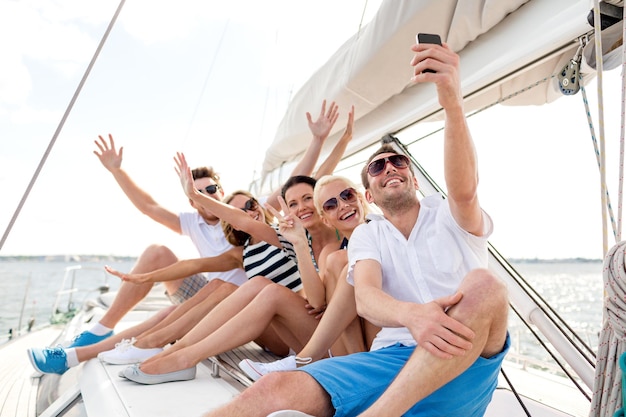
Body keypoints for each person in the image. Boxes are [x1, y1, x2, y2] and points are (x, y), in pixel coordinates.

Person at [203, 40, 509, 417]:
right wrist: (413, 316)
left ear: (413, 176)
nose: (389, 169)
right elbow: (365, 297)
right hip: (390, 359)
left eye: (396, 162)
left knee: (485, 285)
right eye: (377, 168)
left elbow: (464, 188)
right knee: (271, 389)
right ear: (370, 194)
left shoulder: (450, 214)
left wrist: (451, 102)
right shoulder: (369, 236)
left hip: (463, 356)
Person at [67, 99, 351, 348]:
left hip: (243, 301)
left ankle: (136, 348)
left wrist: (319, 141)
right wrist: (118, 171)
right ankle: (103, 334)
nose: (208, 197)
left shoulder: (254, 218)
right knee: (166, 261)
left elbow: (301, 183)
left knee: (190, 305)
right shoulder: (198, 224)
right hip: (213, 295)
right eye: (199, 193)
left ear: (222, 191)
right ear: (192, 200)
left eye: (213, 190)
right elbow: (152, 212)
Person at [116, 165, 356, 384]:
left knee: (263, 289)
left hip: (335, 342)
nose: (301, 207)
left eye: (307, 199)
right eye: (293, 204)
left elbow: (318, 302)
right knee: (255, 285)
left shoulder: (338, 244)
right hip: (308, 332)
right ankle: (173, 354)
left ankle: (179, 357)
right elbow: (230, 233)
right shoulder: (290, 239)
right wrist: (195, 196)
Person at [238, 175, 379, 381]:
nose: (342, 205)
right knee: (336, 262)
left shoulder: (380, 230)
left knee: (341, 261)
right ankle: (353, 365)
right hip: (353, 341)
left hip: (383, 330)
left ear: (360, 197)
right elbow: (316, 302)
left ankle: (304, 359)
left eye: (347, 195)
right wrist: (300, 243)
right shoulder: (332, 254)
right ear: (325, 218)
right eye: (331, 204)